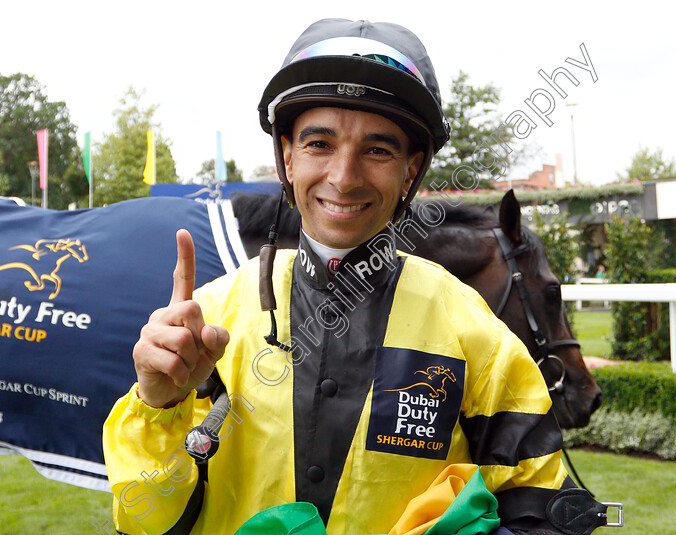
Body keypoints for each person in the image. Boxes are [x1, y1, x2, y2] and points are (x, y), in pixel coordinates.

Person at [103, 18, 607, 535]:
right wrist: (158, 406)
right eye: (319, 144)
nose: (343, 178)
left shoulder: (475, 334)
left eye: (377, 150)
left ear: (410, 172)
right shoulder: (206, 323)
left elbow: (544, 510)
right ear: (287, 158)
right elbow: (149, 522)